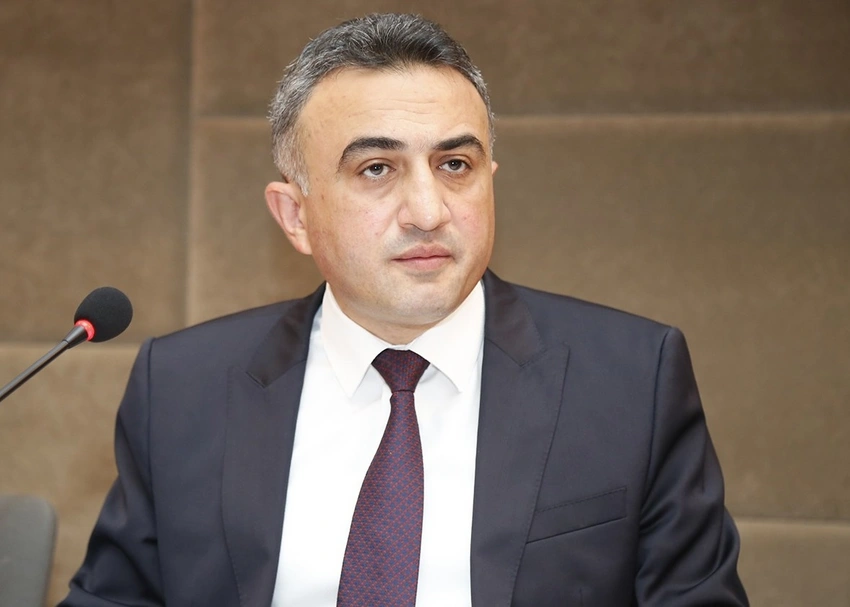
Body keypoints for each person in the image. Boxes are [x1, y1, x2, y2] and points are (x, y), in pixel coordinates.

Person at [60, 13, 748, 607]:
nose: (427, 211)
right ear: (295, 215)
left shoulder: (631, 380)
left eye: (455, 165)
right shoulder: (182, 387)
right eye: (376, 169)